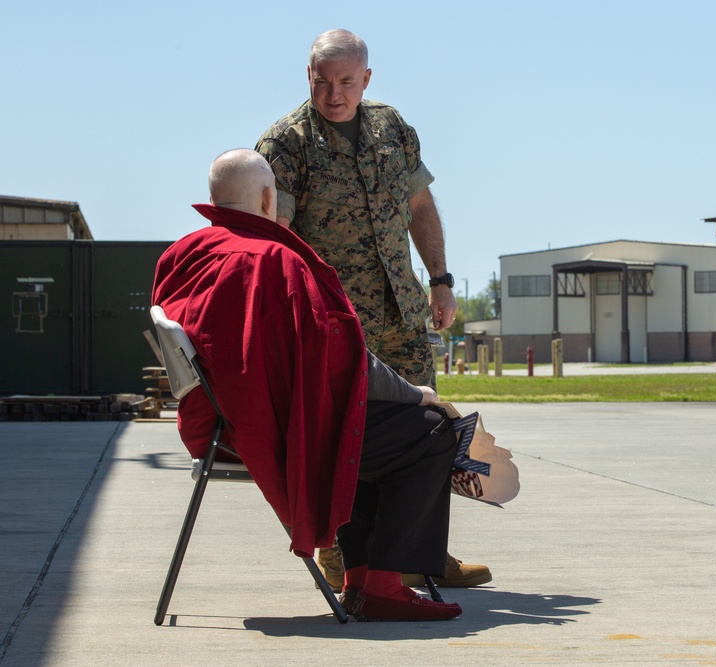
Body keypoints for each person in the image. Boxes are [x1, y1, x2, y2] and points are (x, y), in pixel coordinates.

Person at [152, 149, 461, 621]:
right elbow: (345, 361)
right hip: (267, 432)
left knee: (368, 427)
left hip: (219, 426)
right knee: (428, 429)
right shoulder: (274, 260)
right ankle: (381, 585)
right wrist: (416, 393)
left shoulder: (180, 255)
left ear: (213, 199)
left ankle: (359, 581)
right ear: (267, 197)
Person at [256, 28, 491, 589]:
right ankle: (343, 554)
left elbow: (419, 203)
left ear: (366, 79)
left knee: (430, 431)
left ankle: (423, 556)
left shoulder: (391, 127)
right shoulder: (285, 144)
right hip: (337, 323)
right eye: (322, 81)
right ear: (307, 77)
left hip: (401, 313)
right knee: (346, 438)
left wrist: (440, 280)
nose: (334, 94)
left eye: (345, 82)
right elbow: (273, 234)